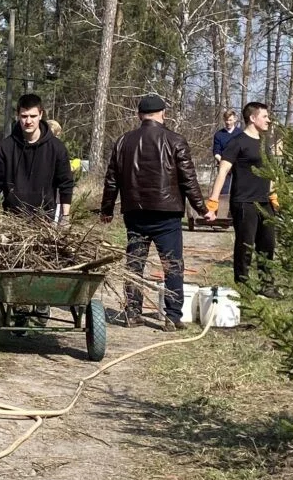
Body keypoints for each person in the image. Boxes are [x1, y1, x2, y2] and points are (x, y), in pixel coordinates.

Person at [100, 93, 209, 327]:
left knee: (135, 263)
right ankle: (172, 316)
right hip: (167, 213)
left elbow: (111, 180)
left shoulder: (123, 142)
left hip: (135, 212)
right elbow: (188, 180)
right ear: (163, 114)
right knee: (172, 265)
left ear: (140, 115)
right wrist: (202, 209)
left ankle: (132, 312)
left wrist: (106, 209)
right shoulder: (175, 140)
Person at [206, 101, 277, 287]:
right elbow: (222, 172)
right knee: (246, 246)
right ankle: (243, 286)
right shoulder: (237, 143)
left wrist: (273, 195)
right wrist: (213, 203)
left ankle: (267, 285)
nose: (268, 120)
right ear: (253, 118)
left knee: (268, 244)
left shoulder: (264, 143)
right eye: (265, 116)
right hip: (244, 203)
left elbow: (270, 170)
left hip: (264, 202)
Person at [0, 93, 73, 221]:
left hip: (45, 220)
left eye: (33, 116)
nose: (28, 121)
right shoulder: (6, 147)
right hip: (12, 219)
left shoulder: (56, 148)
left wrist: (65, 217)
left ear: (41, 115)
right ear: (18, 115)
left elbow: (66, 183)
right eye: (24, 116)